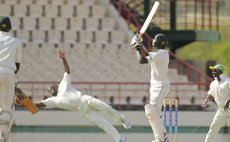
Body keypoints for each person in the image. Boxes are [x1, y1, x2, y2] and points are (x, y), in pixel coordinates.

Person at [16, 50, 131, 142]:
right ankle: (119, 138)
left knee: (106, 108)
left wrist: (64, 59)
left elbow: (67, 71)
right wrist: (22, 100)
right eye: (50, 90)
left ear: (56, 85)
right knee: (103, 124)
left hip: (85, 100)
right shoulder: (53, 100)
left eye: (53, 87)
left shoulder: (63, 85)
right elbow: (35, 106)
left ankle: (122, 119)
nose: (52, 89)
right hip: (84, 112)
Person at [129, 33, 170, 142]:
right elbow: (145, 55)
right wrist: (139, 44)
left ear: (155, 42)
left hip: (160, 86)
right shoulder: (161, 54)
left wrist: (137, 46)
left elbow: (142, 60)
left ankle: (160, 138)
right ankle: (163, 136)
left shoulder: (160, 55)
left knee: (151, 111)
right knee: (156, 113)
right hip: (158, 86)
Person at [0, 16, 22, 141]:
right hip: (8, 74)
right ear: (10, 28)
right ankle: (1, 136)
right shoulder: (16, 41)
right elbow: (17, 65)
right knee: (6, 109)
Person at [201, 64, 230, 142]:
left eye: (215, 70)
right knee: (213, 128)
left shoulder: (228, 81)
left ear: (220, 71)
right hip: (221, 110)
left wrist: (227, 102)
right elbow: (210, 94)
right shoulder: (213, 83)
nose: (213, 72)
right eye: (212, 71)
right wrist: (206, 100)